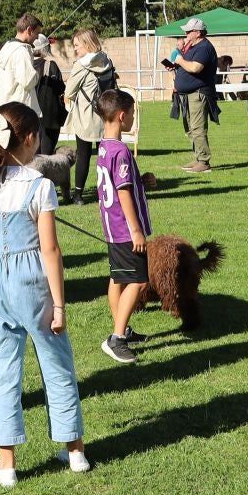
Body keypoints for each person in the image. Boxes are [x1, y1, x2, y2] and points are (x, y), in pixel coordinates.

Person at [0, 101, 89, 486]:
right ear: (30, 139)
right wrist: (59, 305)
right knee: (57, 363)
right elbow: (51, 250)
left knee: (2, 371)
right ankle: (75, 451)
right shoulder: (40, 186)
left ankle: (7, 464)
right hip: (32, 280)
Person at [94, 88, 152, 363]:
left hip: (111, 225)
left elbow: (121, 183)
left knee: (117, 278)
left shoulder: (104, 146)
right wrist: (136, 230)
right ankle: (116, 339)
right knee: (139, 280)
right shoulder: (121, 151)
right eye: (131, 114)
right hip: (124, 228)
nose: (132, 118)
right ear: (121, 115)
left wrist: (143, 181)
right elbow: (123, 191)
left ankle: (123, 328)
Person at [62, 27, 118, 206]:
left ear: (87, 44)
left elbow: (69, 91)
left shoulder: (81, 65)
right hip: (106, 115)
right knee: (106, 155)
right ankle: (108, 191)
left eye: (77, 45)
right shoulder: (106, 60)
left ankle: (78, 195)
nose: (75, 49)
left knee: (83, 156)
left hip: (86, 116)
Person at [166, 16, 219, 173]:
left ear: (198, 32)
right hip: (187, 94)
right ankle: (198, 158)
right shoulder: (192, 46)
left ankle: (203, 162)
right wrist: (175, 66)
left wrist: (179, 60)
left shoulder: (204, 47)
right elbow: (187, 65)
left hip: (198, 93)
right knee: (190, 128)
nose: (186, 34)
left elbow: (195, 68)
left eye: (189, 31)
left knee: (197, 128)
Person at [0, 12, 42, 111]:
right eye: (37, 33)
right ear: (29, 30)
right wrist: (37, 72)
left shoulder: (8, 47)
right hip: (20, 110)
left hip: (7, 107)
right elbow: (29, 81)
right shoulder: (21, 51)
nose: (37, 37)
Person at [33, 35, 67, 156]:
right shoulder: (50, 65)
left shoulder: (26, 66)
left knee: (33, 156)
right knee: (47, 156)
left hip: (31, 115)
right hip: (49, 117)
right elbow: (61, 88)